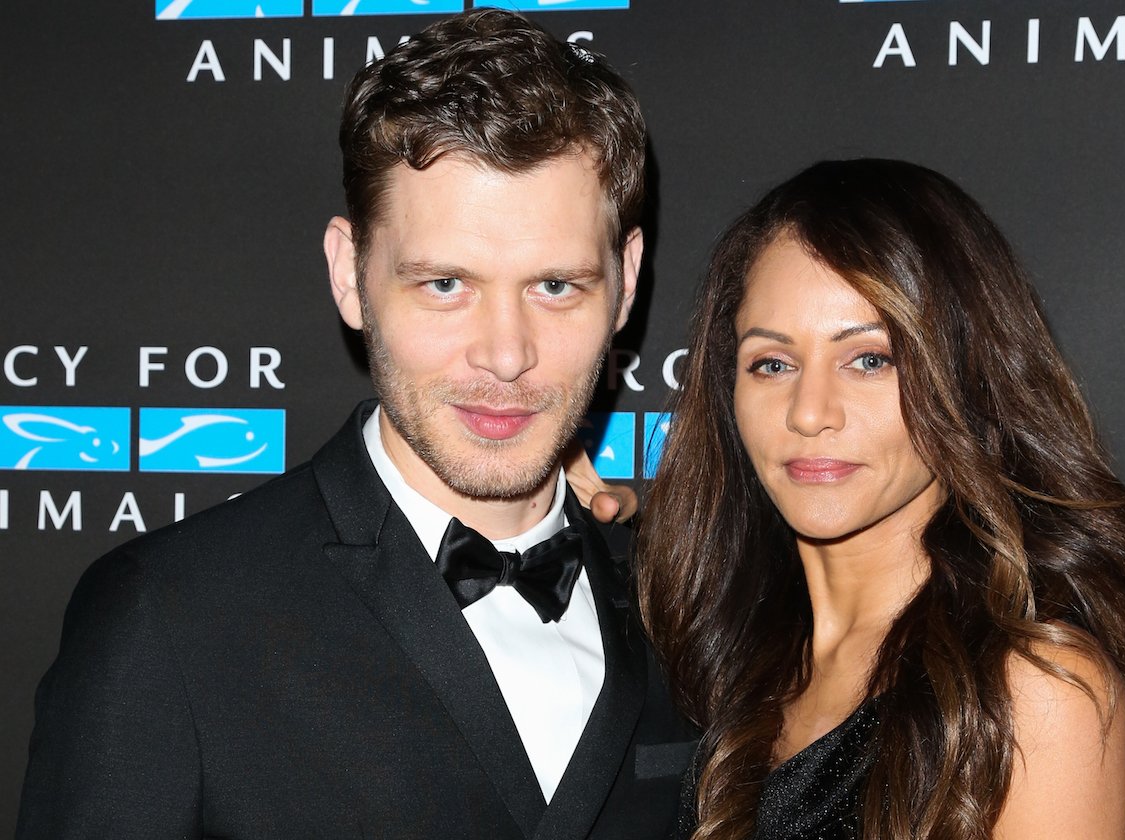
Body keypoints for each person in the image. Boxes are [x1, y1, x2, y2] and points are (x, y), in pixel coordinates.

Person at [16, 10, 693, 839]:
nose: (507, 356)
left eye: (555, 285)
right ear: (350, 274)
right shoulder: (169, 618)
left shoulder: (692, 601)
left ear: (624, 282)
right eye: (445, 284)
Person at [635, 159, 1125, 839]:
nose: (810, 412)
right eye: (772, 363)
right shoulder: (716, 654)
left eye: (871, 359)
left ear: (962, 375)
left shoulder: (1034, 690)